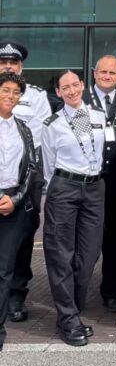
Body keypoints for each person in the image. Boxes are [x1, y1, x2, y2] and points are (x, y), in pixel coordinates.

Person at [42, 70, 106, 346]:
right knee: (61, 255)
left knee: (89, 256)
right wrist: (56, 192)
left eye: (75, 84)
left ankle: (70, 313)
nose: (71, 90)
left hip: (94, 188)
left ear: (83, 85)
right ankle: (69, 320)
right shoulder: (52, 124)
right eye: (65, 87)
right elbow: (47, 166)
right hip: (64, 188)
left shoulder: (98, 116)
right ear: (58, 92)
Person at [82, 55, 116, 313]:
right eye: (103, 72)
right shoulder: (80, 100)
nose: (107, 76)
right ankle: (77, 289)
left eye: (112, 73)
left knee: (115, 238)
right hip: (88, 181)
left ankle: (112, 290)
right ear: (94, 73)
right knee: (84, 239)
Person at [0, 41, 50, 324]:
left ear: (22, 67)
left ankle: (16, 294)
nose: (8, 67)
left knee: (22, 240)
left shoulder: (37, 96)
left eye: (14, 63)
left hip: (26, 179)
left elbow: (38, 139)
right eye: (3, 62)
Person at [0, 72, 37, 352]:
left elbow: (31, 169)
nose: (11, 96)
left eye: (16, 92)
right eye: (5, 90)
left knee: (5, 271)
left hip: (13, 205)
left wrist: (16, 199)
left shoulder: (23, 128)